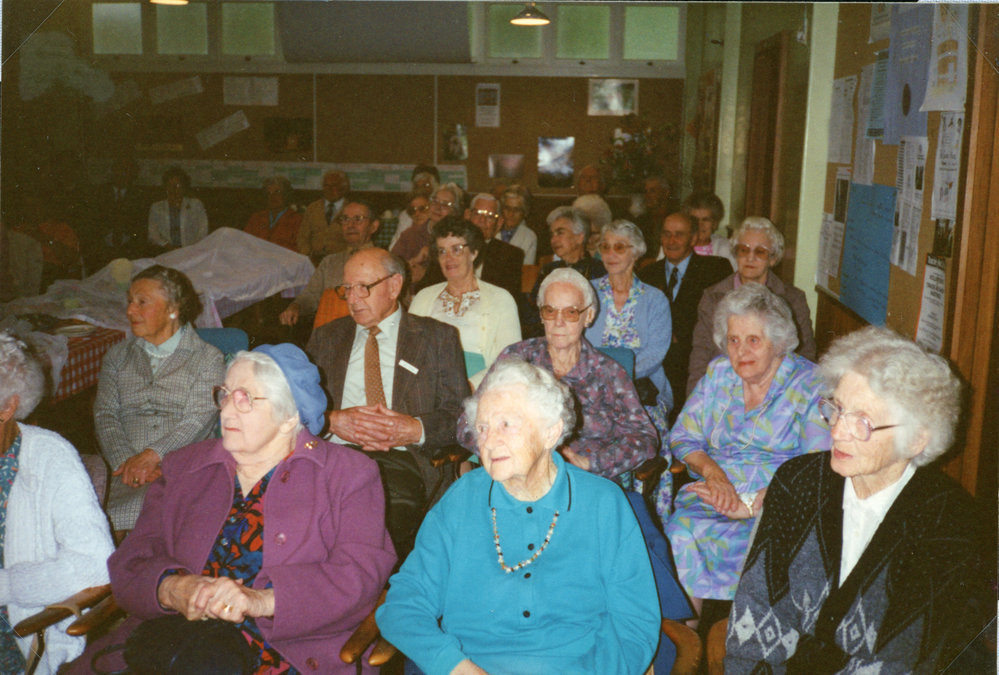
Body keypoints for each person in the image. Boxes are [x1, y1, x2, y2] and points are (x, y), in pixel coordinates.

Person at [103, 344, 396, 673]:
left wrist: (262, 600)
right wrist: (171, 588)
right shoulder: (184, 466)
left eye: (245, 398)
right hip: (175, 644)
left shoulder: (348, 474)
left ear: (288, 417)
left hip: (288, 655)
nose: (227, 410)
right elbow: (131, 559)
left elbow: (359, 576)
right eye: (225, 394)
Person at [726, 326, 991, 673]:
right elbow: (754, 622)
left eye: (863, 422)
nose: (837, 431)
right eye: (837, 409)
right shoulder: (798, 482)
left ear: (916, 440)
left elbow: (905, 660)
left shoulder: (949, 522)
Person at [377, 360, 660, 675]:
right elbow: (404, 603)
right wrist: (454, 666)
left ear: (551, 432)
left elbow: (635, 624)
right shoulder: (461, 500)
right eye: (482, 428)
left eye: (506, 424)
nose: (490, 441)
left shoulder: (603, 503)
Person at [666, 283, 827, 623]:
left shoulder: (810, 384)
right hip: (716, 492)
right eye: (733, 340)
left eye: (753, 340)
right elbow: (682, 436)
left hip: (780, 500)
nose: (740, 352)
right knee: (681, 531)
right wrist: (714, 474)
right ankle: (687, 642)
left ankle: (751, 640)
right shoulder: (719, 374)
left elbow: (815, 465)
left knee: (762, 543)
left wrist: (754, 504)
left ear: (778, 341)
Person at [306, 248, 469, 555]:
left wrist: (415, 428)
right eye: (347, 289)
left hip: (402, 462)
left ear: (394, 286)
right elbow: (293, 409)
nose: (353, 299)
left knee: (374, 522)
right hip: (332, 457)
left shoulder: (436, 338)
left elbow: (463, 417)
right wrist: (330, 420)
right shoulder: (326, 338)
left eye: (363, 288)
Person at [461, 267, 657, 483]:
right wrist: (508, 455)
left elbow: (644, 437)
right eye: (550, 311)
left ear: (588, 316)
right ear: (541, 315)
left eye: (571, 312)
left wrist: (591, 463)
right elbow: (466, 424)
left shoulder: (608, 372)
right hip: (516, 476)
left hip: (582, 481)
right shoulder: (516, 358)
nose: (559, 321)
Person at [0, 333, 113, 675]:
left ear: (8, 407)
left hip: (16, 632)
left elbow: (94, 565)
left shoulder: (50, 457)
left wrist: (5, 586)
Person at [94, 265, 225, 533]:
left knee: (133, 512)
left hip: (182, 465)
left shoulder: (208, 358)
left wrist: (153, 457)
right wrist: (126, 462)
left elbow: (198, 420)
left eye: (142, 302)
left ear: (173, 309)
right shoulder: (117, 356)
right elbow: (105, 414)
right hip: (122, 470)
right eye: (130, 301)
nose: (130, 311)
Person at [687, 216, 817, 394]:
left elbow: (805, 357)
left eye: (760, 252)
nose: (750, 257)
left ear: (773, 258)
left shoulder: (793, 300)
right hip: (722, 390)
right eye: (743, 249)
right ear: (735, 253)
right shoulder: (712, 297)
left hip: (774, 392)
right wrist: (695, 399)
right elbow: (700, 357)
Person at [585, 220, 673, 443]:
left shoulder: (655, 299)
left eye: (619, 247)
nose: (610, 254)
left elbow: (655, 354)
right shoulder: (586, 291)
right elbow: (578, 344)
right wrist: (600, 381)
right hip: (592, 386)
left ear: (636, 253)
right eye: (605, 247)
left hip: (641, 388)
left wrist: (616, 379)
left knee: (642, 433)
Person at [638, 212, 732, 420]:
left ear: (693, 238)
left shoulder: (715, 270)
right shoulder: (646, 275)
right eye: (666, 234)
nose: (671, 241)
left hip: (695, 367)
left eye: (679, 234)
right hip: (656, 369)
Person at [410, 217, 521, 389]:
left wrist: (467, 387)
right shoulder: (423, 297)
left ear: (474, 252)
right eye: (442, 251)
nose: (448, 258)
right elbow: (409, 354)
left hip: (482, 389)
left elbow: (511, 359)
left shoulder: (500, 299)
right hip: (428, 387)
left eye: (457, 249)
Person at [279, 199, 380, 327]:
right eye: (345, 219)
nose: (350, 225)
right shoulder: (330, 262)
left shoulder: (384, 262)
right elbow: (311, 295)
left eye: (358, 219)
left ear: (373, 226)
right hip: (328, 333)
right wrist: (296, 306)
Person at [418, 193, 524, 300]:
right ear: (467, 215)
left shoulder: (510, 255)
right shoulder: (447, 247)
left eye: (490, 216)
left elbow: (509, 298)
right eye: (477, 214)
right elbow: (427, 288)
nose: (482, 220)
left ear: (499, 222)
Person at [524, 206, 606, 337]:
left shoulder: (598, 270)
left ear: (580, 237)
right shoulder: (549, 270)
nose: (553, 240)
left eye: (560, 233)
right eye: (552, 234)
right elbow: (533, 312)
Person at [392, 182, 463, 286]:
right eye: (435, 201)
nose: (438, 207)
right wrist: (411, 264)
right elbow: (391, 267)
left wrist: (426, 273)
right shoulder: (410, 234)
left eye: (445, 204)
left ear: (455, 212)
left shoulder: (460, 239)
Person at [147, 166, 208, 250]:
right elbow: (153, 234)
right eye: (169, 185)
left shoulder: (196, 204)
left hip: (192, 250)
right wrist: (168, 247)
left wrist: (191, 249)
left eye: (177, 185)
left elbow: (203, 231)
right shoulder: (156, 207)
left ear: (184, 187)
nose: (173, 188)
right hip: (166, 250)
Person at [298, 169, 351, 264]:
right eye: (326, 185)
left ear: (344, 188)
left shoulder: (352, 209)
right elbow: (302, 237)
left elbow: (356, 241)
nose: (329, 189)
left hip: (341, 262)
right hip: (313, 261)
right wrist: (307, 256)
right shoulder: (313, 208)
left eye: (334, 185)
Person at [243, 176, 303, 252]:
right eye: (269, 193)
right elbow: (244, 243)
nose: (273, 197)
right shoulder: (256, 218)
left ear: (286, 195)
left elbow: (299, 250)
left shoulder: (298, 220)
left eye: (277, 192)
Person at [683, 191, 735, 269]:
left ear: (715, 224)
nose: (700, 225)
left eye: (705, 220)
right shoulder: (676, 244)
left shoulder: (726, 248)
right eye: (695, 220)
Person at [634, 175, 673, 259]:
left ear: (665, 193)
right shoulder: (641, 220)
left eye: (652, 191)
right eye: (646, 191)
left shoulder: (674, 219)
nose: (647, 196)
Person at [498, 187, 538, 264]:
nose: (511, 214)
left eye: (516, 210)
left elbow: (527, 268)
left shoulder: (529, 237)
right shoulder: (491, 229)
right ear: (501, 209)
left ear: (525, 212)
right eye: (507, 208)